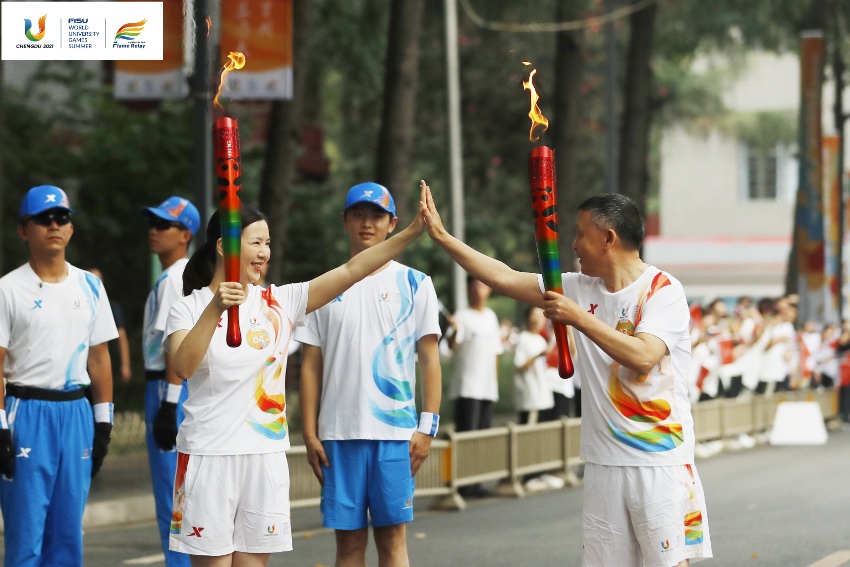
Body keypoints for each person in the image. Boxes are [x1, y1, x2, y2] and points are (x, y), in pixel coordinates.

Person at [420, 188, 712, 566]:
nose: (572, 244)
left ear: (608, 238)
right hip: (604, 462)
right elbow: (505, 277)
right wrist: (443, 238)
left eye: (580, 233)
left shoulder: (662, 291)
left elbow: (643, 355)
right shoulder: (575, 287)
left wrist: (577, 317)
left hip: (659, 462)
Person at [164, 183, 427, 566]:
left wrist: (413, 232)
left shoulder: (281, 303)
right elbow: (183, 367)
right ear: (224, 247)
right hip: (208, 455)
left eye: (267, 243)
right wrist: (215, 309)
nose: (264, 252)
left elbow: (354, 269)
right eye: (255, 243)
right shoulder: (188, 308)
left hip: (264, 456)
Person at [295, 181, 442, 567]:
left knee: (393, 541)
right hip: (338, 435)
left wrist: (428, 427)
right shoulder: (322, 289)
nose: (367, 223)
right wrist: (309, 432)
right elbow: (311, 364)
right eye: (358, 214)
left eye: (376, 215)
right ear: (345, 221)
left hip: (394, 434)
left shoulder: (415, 283)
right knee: (348, 545)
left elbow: (429, 359)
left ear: (392, 223)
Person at [0, 185, 118, 566]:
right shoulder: (7, 289)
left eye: (61, 218)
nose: (54, 225)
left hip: (76, 416)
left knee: (68, 535)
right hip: (27, 413)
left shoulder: (90, 285)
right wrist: (0, 424)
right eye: (43, 218)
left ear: (70, 228)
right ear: (24, 230)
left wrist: (103, 423)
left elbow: (99, 359)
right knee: (26, 534)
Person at [141, 195, 201, 567]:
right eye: (152, 223)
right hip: (172, 388)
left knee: (172, 495)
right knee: (180, 493)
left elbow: (171, 346)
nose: (154, 231)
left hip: (167, 388)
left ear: (185, 234)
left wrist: (166, 402)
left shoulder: (174, 278)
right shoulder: (177, 275)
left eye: (163, 225)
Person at [446, 276, 504, 433]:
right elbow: (451, 345)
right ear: (468, 289)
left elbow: (496, 352)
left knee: (484, 436)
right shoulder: (462, 316)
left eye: (483, 286)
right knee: (467, 433)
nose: (479, 290)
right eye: (475, 286)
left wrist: (494, 382)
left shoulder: (491, 317)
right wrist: (455, 331)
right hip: (467, 388)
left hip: (487, 388)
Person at [90, 267, 132, 384]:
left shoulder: (111, 307)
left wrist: (125, 365)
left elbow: (121, 337)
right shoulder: (79, 306)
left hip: (107, 362)